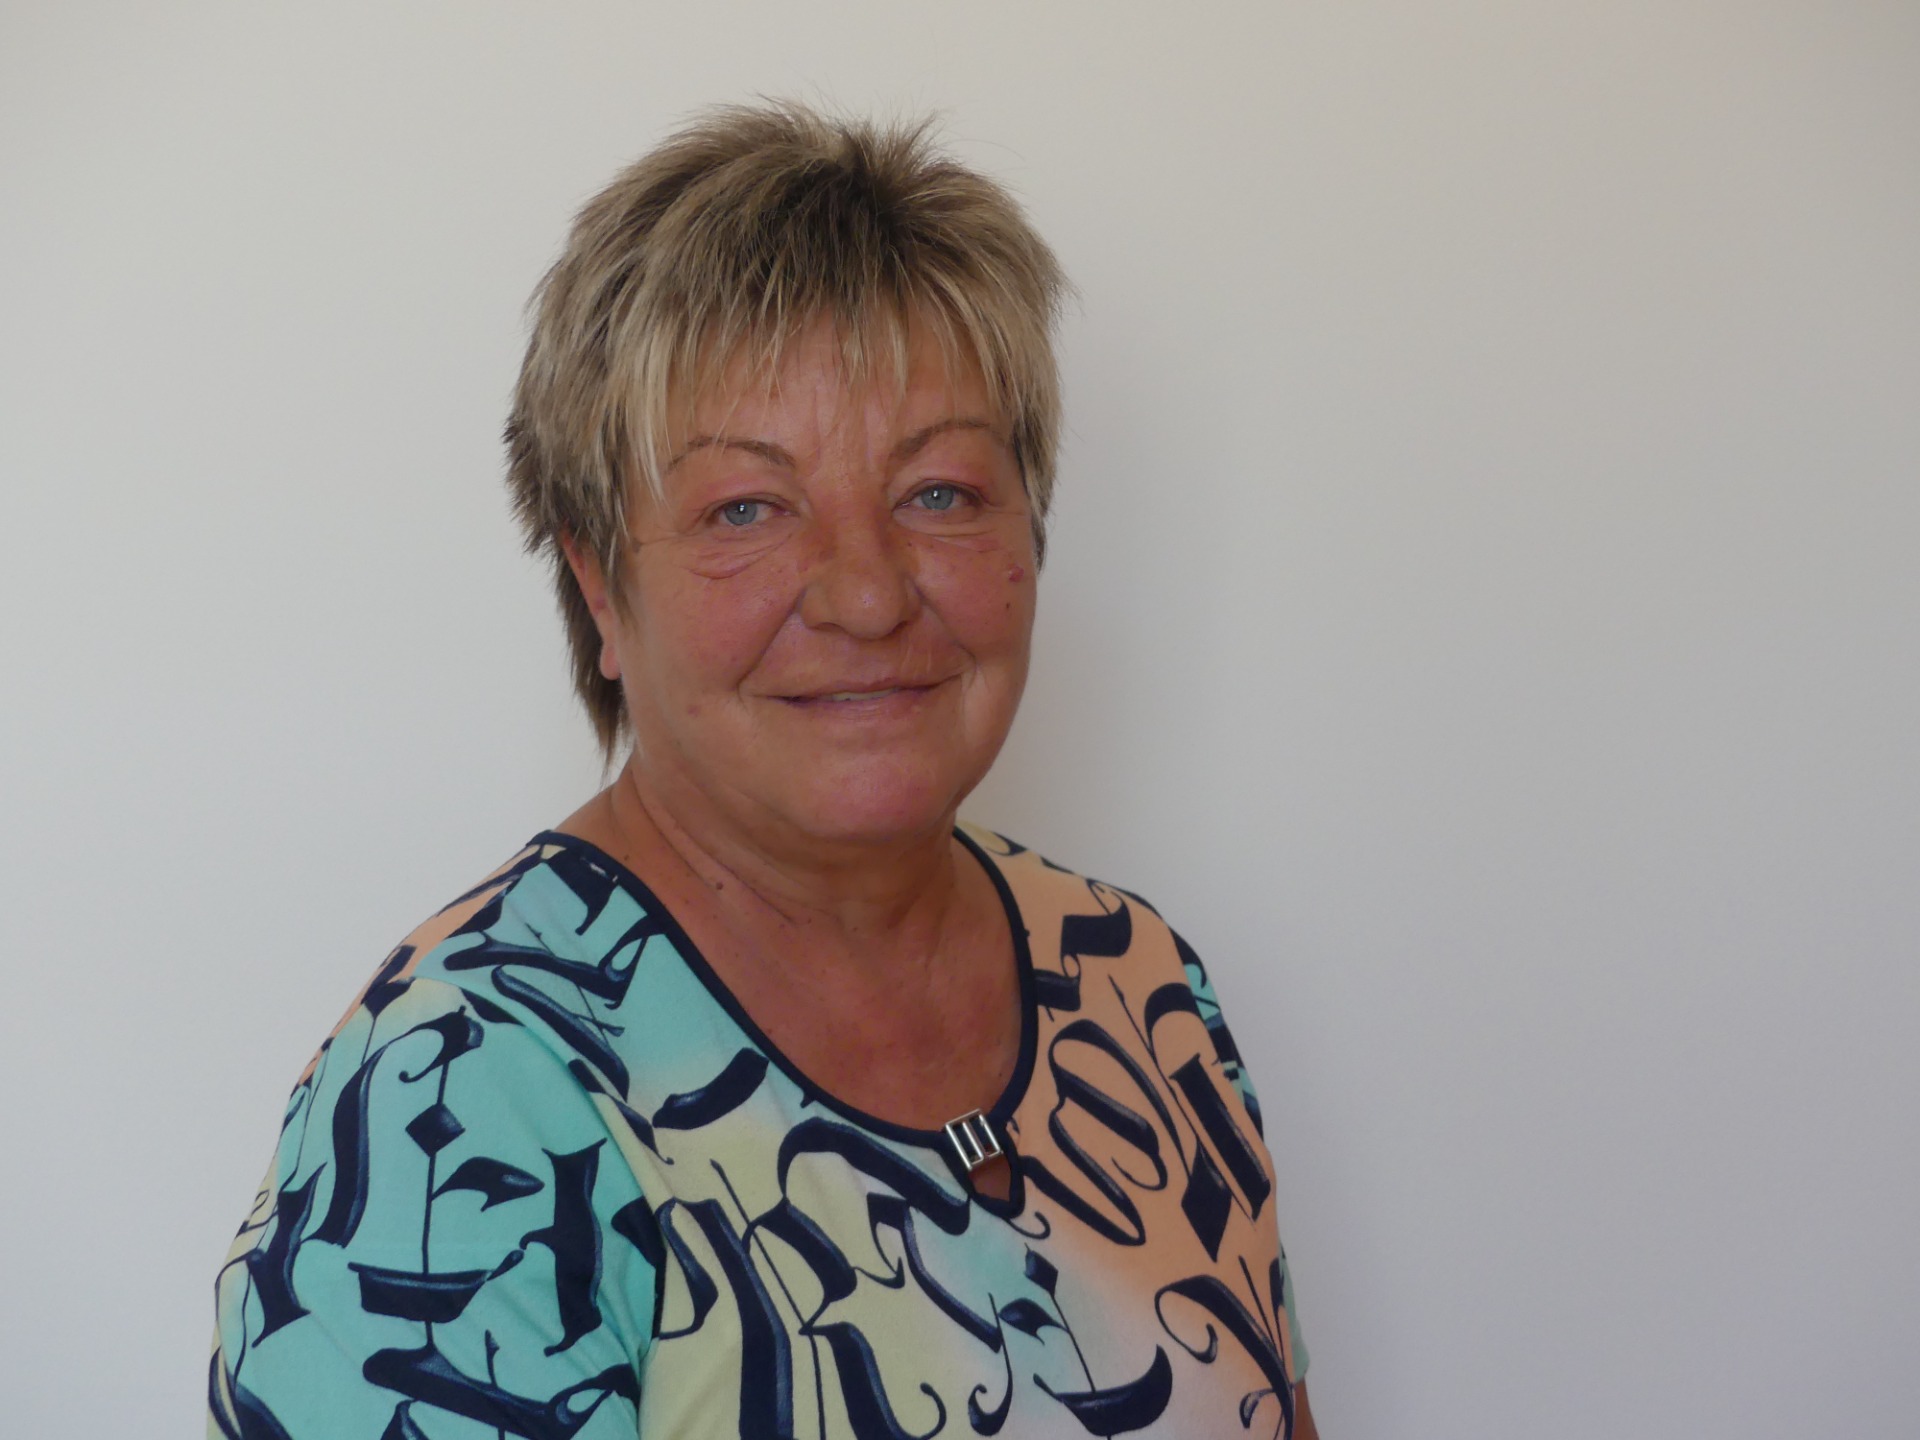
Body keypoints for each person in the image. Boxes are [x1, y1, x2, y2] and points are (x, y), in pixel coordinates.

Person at [210, 100, 1318, 1440]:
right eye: (747, 508)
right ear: (599, 588)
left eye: (940, 492)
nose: (868, 595)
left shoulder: (1137, 985)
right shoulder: (463, 1103)